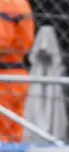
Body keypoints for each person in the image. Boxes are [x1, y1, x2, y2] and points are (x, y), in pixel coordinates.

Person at [0, 0, 34, 142]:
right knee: (13, 133)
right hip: (17, 74)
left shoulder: (4, 4)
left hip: (4, 77)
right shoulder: (20, 3)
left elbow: (2, 43)